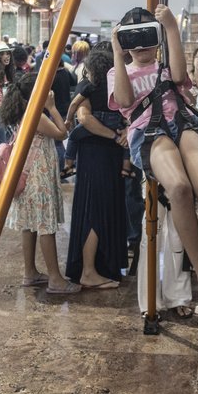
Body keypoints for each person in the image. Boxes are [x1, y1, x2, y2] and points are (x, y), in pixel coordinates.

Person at [110, 5, 198, 328]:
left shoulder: (164, 63)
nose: (141, 44)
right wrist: (118, 52)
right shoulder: (120, 70)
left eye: (147, 35)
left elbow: (177, 76)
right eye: (133, 37)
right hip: (149, 131)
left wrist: (171, 27)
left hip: (182, 122)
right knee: (180, 188)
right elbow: (125, 99)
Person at [0, 74, 80, 294]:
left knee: (30, 224)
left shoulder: (21, 112)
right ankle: (55, 279)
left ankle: (30, 272)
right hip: (38, 177)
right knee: (46, 226)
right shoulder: (36, 115)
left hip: (28, 175)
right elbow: (62, 134)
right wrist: (52, 107)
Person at [64, 50, 128, 288]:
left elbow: (77, 115)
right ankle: (89, 271)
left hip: (99, 152)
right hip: (99, 154)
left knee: (98, 210)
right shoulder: (105, 87)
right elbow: (85, 118)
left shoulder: (90, 86)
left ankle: (95, 267)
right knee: (97, 212)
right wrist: (116, 135)